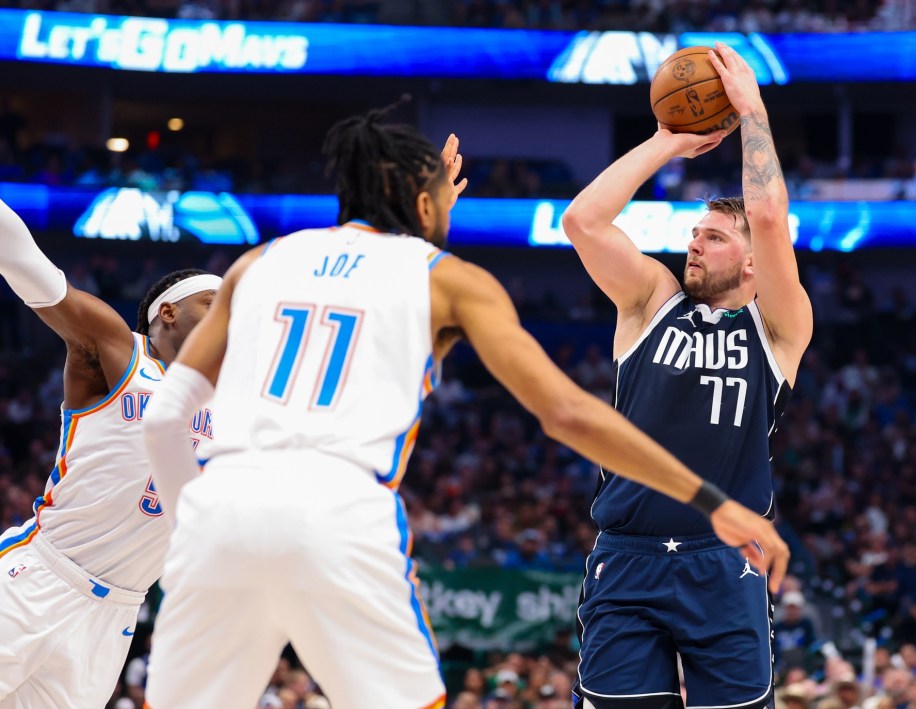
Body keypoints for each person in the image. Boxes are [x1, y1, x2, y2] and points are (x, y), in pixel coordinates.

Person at [140, 105, 790, 709]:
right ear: (423, 199)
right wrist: (713, 501)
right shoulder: (445, 276)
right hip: (339, 510)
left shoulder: (257, 262)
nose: (455, 202)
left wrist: (191, 523)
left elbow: (167, 417)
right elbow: (565, 411)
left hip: (217, 509)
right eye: (449, 193)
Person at [560, 43, 813, 708]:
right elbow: (583, 221)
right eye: (694, 232)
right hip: (628, 554)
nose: (694, 242)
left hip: (722, 558)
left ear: (754, 264)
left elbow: (765, 214)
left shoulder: (779, 329)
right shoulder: (651, 300)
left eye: (715, 237)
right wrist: (666, 142)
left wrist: (752, 111)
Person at [0, 199, 221, 707]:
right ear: (169, 311)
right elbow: (27, 264)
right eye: (214, 306)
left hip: (115, 618)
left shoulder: (233, 403)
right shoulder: (120, 351)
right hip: (39, 579)